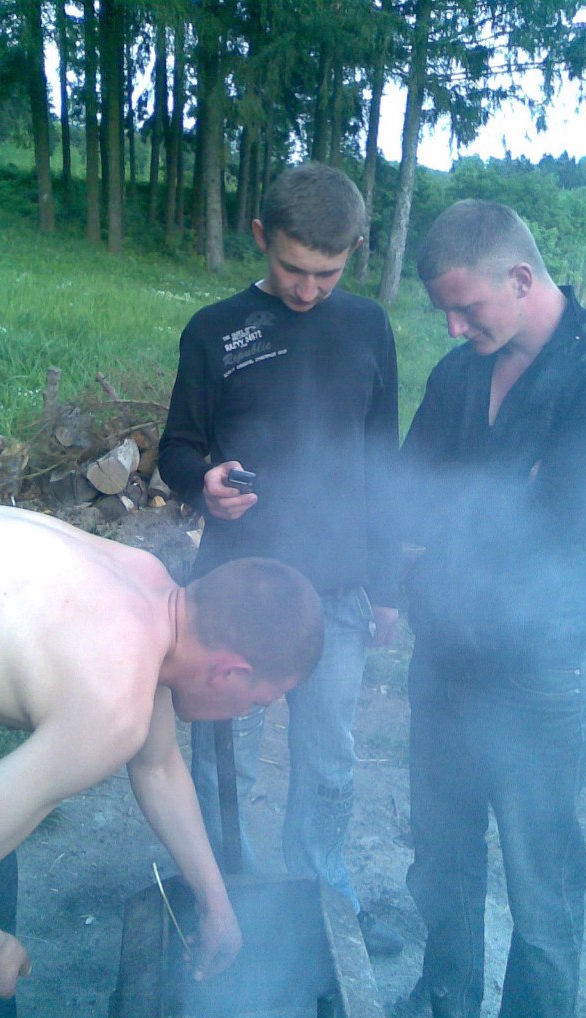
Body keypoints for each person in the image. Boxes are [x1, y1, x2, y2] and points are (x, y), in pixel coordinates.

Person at [0, 502, 323, 1018]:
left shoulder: (152, 589)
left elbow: (158, 766)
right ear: (227, 673)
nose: (246, 714)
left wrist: (216, 903)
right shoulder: (110, 706)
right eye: (257, 702)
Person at [399, 199, 586, 1018]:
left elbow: (571, 524)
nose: (452, 328)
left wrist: (459, 511)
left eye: (465, 307)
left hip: (538, 673)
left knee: (541, 887)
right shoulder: (458, 373)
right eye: (443, 311)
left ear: (519, 278)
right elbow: (410, 494)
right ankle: (446, 1001)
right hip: (442, 658)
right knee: (441, 860)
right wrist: (512, 487)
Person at [157, 162, 403, 955]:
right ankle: (228, 890)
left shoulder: (368, 326)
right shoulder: (216, 330)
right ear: (262, 236)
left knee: (329, 760)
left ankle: (323, 889)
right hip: (237, 591)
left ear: (354, 251)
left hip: (337, 589)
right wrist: (203, 483)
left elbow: (383, 464)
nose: (307, 289)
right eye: (294, 268)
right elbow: (177, 448)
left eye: (327, 274)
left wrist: (388, 587)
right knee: (225, 762)